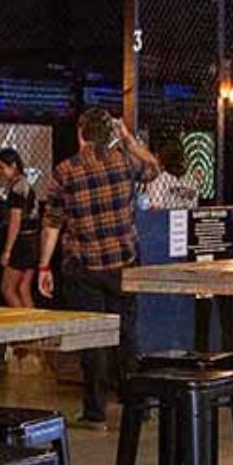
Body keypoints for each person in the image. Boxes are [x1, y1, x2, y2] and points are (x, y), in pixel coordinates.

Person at [38, 108, 160, 429]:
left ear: (81, 133)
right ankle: (136, 403)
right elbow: (154, 167)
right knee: (127, 334)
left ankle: (95, 410)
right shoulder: (125, 163)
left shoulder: (65, 171)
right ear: (111, 133)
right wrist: (130, 140)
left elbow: (52, 223)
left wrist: (42, 267)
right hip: (124, 263)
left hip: (83, 265)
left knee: (92, 337)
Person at [0, 148, 39, 308]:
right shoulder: (26, 184)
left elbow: (15, 220)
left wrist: (8, 250)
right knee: (23, 288)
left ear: (13, 165)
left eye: (1, 168)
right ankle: (35, 327)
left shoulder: (17, 189)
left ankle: (24, 326)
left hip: (21, 243)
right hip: (33, 240)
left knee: (8, 288)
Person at [144, 140, 202, 210]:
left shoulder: (158, 179)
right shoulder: (192, 180)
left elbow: (155, 209)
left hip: (164, 219)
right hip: (187, 219)